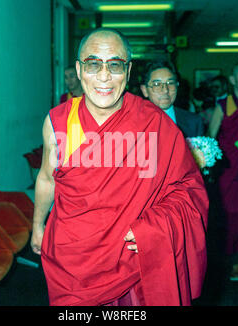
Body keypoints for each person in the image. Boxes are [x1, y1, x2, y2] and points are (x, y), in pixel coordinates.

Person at [31, 27, 208, 306]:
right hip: (71, 258)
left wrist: (154, 231)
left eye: (115, 65)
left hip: (131, 260)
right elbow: (46, 178)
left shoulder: (155, 123)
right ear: (79, 70)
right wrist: (37, 224)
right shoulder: (58, 121)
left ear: (128, 71)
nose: (104, 76)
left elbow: (188, 190)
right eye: (93, 64)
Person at [207, 62, 238, 280]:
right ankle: (234, 261)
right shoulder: (223, 106)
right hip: (229, 170)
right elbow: (211, 137)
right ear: (233, 80)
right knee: (231, 216)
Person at [140, 60, 204, 138]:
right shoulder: (134, 121)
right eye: (157, 84)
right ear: (145, 90)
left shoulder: (194, 122)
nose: (165, 90)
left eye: (170, 83)